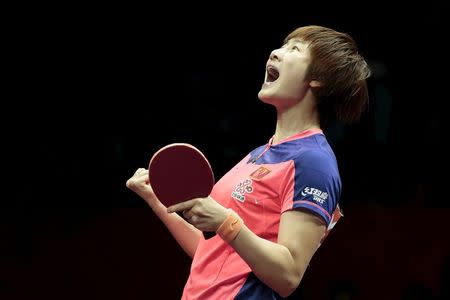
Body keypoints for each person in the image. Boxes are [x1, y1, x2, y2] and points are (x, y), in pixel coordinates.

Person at [126, 25, 371, 299]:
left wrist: (226, 222)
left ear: (318, 79)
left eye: (294, 49)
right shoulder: (257, 155)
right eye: (282, 44)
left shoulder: (313, 161)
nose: (275, 53)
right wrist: (155, 200)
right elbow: (212, 252)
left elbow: (289, 275)